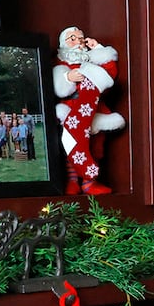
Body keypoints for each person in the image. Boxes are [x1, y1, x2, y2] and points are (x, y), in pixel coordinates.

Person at [53, 27, 122, 194]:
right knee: (73, 145)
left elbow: (110, 74)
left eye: (80, 38)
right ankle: (72, 180)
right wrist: (67, 78)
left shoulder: (91, 61)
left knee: (95, 147)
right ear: (64, 44)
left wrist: (98, 49)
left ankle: (89, 182)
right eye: (72, 38)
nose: (78, 41)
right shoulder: (62, 64)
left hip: (95, 110)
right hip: (73, 110)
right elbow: (59, 88)